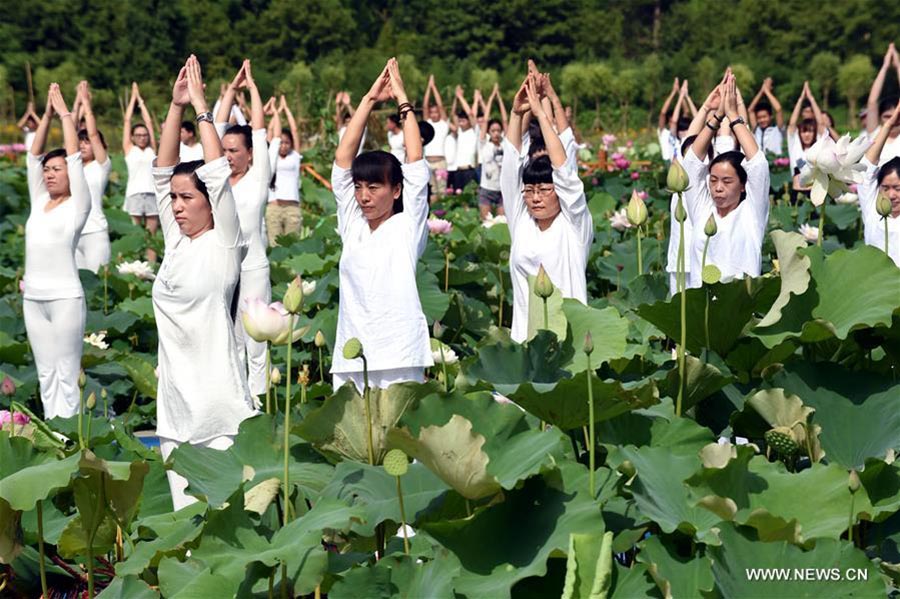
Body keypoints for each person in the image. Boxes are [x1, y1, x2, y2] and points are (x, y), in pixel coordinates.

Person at [153, 55, 257, 510]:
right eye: (173, 199)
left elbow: (218, 176)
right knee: (183, 527)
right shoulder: (176, 243)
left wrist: (201, 107)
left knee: (221, 523)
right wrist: (175, 108)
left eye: (186, 198)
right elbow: (161, 172)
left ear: (209, 202)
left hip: (219, 408)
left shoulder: (223, 243)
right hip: (175, 407)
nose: (176, 206)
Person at [330, 58, 432, 390]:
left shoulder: (407, 226)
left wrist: (403, 101)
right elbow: (343, 160)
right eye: (359, 187)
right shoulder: (352, 223)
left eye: (374, 187)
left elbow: (415, 161)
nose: (363, 196)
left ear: (396, 190)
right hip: (351, 353)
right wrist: (369, 101)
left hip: (400, 355)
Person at [501, 72, 593, 343]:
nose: (535, 198)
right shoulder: (521, 222)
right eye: (529, 191)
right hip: (525, 339)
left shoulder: (574, 224)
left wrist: (543, 114)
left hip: (569, 341)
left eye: (544, 190)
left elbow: (565, 171)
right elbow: (510, 169)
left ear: (558, 193)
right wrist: (517, 114)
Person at [24, 83, 90, 420]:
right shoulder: (39, 201)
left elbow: (76, 159)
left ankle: (72, 440)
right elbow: (33, 156)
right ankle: (53, 432)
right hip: (33, 298)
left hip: (65, 298)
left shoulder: (78, 205)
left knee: (67, 373)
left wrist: (66, 114)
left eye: (56, 169)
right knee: (46, 373)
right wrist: (46, 115)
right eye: (47, 171)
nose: (49, 174)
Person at [214, 59, 272, 397]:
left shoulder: (258, 179)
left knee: (255, 344)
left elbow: (260, 130)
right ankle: (236, 404)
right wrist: (230, 91)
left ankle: (260, 405)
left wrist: (251, 90)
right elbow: (216, 128)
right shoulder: (218, 183)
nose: (228, 156)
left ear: (251, 154)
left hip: (253, 269)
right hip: (225, 268)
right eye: (225, 151)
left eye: (235, 151)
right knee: (230, 342)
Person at [684, 71, 770, 289]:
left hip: (740, 309)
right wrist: (716, 115)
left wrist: (734, 116)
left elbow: (758, 165)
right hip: (701, 308)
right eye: (713, 180)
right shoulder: (702, 208)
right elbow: (692, 162)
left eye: (727, 181)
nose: (718, 188)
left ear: (743, 186)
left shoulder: (752, 213)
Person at [73, 81, 111, 273]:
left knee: (97, 285)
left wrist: (86, 105)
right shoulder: (73, 167)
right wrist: (76, 103)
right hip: (73, 232)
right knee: (78, 287)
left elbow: (94, 134)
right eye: (80, 142)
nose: (83, 145)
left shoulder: (101, 166)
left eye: (87, 143)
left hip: (95, 232)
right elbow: (69, 132)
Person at [859, 102, 900, 267]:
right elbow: (866, 168)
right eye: (885, 188)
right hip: (874, 287)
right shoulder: (871, 208)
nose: (891, 195)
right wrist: (888, 125)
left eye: (898, 189)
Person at [123, 82, 159, 262]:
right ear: (132, 137)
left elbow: (149, 123)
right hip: (134, 194)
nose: (142, 138)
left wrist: (142, 103)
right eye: (138, 135)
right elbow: (127, 120)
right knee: (134, 235)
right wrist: (133, 98)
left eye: (144, 135)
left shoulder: (152, 149)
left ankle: (151, 268)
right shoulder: (129, 149)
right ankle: (134, 266)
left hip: (152, 193)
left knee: (151, 236)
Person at [266, 95, 303, 245]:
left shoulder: (295, 156)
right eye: (281, 143)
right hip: (274, 206)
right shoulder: (271, 155)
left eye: (287, 143)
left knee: (293, 248)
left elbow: (294, 130)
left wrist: (286, 110)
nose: (283, 145)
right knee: (275, 248)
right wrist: (276, 113)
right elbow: (270, 132)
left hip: (292, 207)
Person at [787, 81, 825, 203]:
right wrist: (801, 99)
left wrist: (811, 98)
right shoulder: (795, 144)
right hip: (797, 193)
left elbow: (821, 123)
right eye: (804, 131)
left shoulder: (818, 144)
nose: (807, 134)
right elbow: (792, 123)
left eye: (810, 131)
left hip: (814, 192)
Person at [865, 43, 900, 163]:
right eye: (887, 116)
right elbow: (872, 102)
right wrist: (885, 66)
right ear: (879, 118)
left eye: (897, 116)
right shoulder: (875, 133)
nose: (894, 120)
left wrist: (898, 66)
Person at [423, 75, 450, 201]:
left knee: (442, 191)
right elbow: (424, 106)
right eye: (431, 112)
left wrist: (434, 88)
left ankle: (444, 213)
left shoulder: (444, 124)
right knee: (432, 191)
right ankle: (433, 215)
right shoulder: (427, 123)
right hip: (428, 162)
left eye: (436, 112)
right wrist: (428, 88)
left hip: (440, 162)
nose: (433, 114)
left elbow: (440, 105)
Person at [450, 85, 479, 191]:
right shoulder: (459, 131)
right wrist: (456, 98)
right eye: (460, 120)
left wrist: (461, 97)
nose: (460, 122)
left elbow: (471, 114)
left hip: (469, 171)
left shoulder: (474, 131)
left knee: (470, 198)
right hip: (458, 171)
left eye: (463, 120)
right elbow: (453, 115)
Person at [748, 77, 784, 156]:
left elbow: (778, 109)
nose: (762, 120)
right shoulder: (756, 129)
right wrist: (762, 91)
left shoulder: (777, 129)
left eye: (764, 117)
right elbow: (750, 110)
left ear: (771, 116)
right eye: (759, 118)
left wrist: (767, 92)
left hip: (775, 166)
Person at [336, 91, 366, 156]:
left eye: (350, 121)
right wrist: (338, 105)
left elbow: (357, 118)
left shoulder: (360, 129)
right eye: (346, 122)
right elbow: (339, 119)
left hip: (357, 160)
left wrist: (348, 105)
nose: (348, 124)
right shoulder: (343, 129)